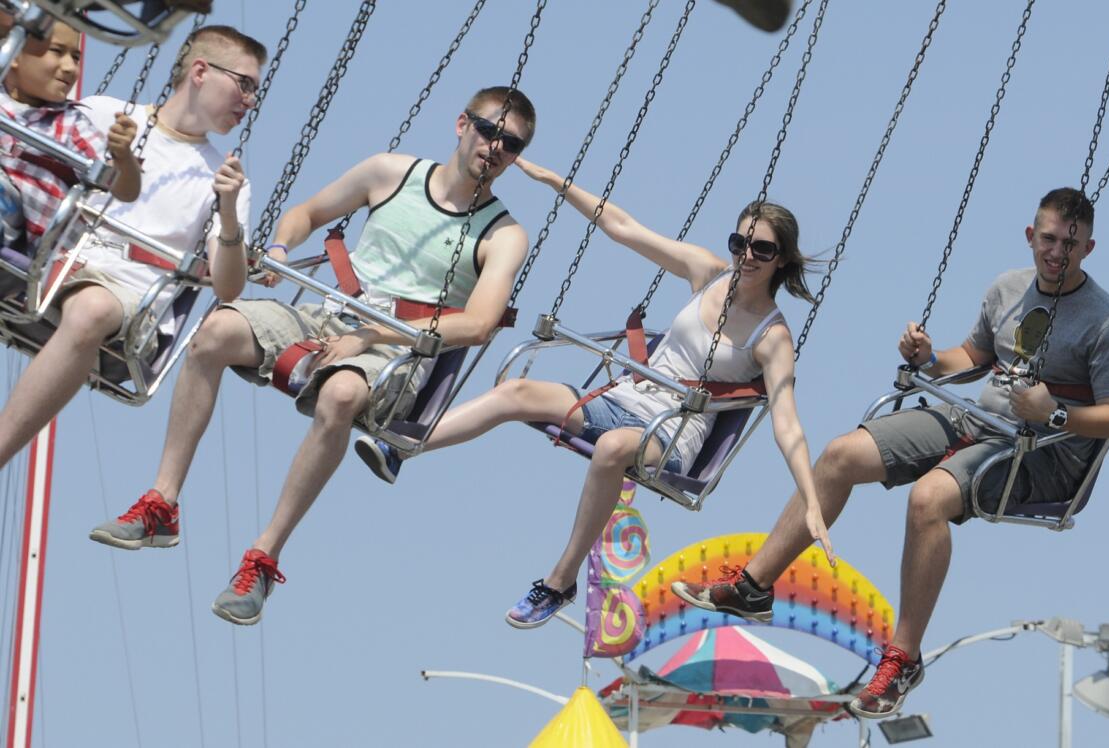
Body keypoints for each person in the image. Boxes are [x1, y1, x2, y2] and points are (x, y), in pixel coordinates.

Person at [672, 187, 1109, 718]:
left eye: (1069, 245)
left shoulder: (1106, 324)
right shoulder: (1008, 289)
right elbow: (974, 358)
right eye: (1048, 239)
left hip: (1043, 451)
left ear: (1088, 249)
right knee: (840, 454)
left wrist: (1054, 413)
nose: (1056, 253)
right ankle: (754, 586)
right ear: (1031, 236)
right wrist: (929, 356)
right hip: (978, 420)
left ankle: (903, 658)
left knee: (928, 498)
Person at [90, 86, 535, 626]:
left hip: (401, 346)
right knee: (215, 332)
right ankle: (163, 501)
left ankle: (263, 556)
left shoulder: (504, 234)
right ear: (462, 124)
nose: (495, 148)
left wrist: (373, 337)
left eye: (510, 144)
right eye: (490, 131)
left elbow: (479, 323)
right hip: (328, 316)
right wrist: (280, 246)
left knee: (342, 392)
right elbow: (307, 213)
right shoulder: (389, 173)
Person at [397, 156, 834, 630]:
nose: (747, 256)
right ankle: (402, 444)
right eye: (739, 243)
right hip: (624, 399)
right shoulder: (707, 273)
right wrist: (556, 181)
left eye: (762, 250)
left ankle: (559, 581)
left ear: (782, 259)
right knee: (516, 391)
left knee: (612, 448)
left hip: (673, 434)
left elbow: (787, 422)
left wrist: (811, 501)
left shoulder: (773, 338)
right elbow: (623, 227)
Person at [0, 24, 262, 470]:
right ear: (201, 71)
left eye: (255, 90)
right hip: (57, 257)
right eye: (244, 83)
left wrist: (231, 211)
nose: (251, 100)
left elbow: (229, 286)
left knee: (92, 310)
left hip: (126, 295)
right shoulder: (108, 115)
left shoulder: (224, 178)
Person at [0, 18, 140, 250]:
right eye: (57, 51)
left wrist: (122, 156)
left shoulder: (71, 124)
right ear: (14, 54)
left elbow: (125, 190)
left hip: (30, 240)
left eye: (75, 57)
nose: (70, 67)